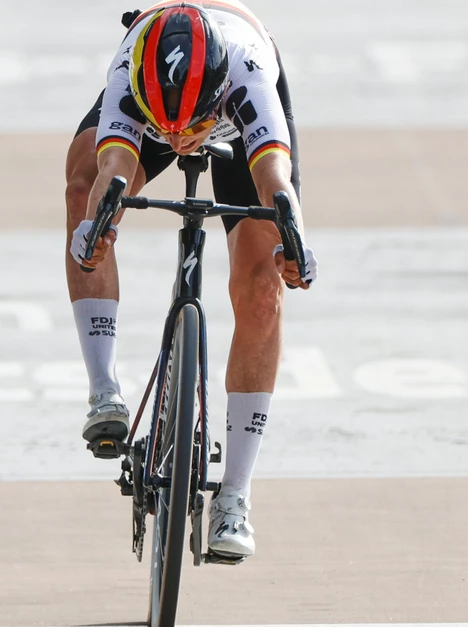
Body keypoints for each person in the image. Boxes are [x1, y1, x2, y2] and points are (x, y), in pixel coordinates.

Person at [65, 1, 317, 559]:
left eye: (189, 129)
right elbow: (112, 172)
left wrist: (295, 242)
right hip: (154, 98)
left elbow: (277, 183)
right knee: (84, 189)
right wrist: (99, 226)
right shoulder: (131, 74)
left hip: (233, 119)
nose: (180, 140)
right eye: (168, 131)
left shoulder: (248, 73)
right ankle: (103, 389)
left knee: (261, 281)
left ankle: (235, 496)